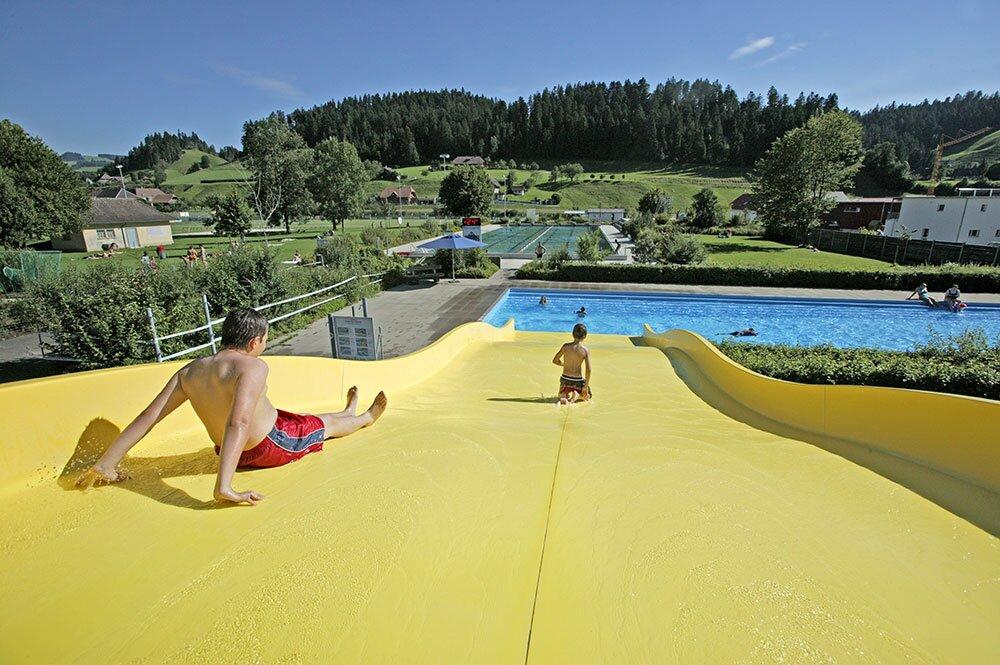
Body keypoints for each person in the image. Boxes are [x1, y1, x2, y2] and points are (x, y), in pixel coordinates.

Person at [75, 308, 388, 505]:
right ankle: (364, 418)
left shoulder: (190, 371)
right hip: (268, 445)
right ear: (254, 343)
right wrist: (224, 487)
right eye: (264, 341)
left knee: (311, 420)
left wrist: (108, 462)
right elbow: (238, 422)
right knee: (323, 427)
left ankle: (348, 411)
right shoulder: (253, 367)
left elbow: (149, 417)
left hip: (232, 449)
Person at [552, 323, 592, 404]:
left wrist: (564, 364)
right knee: (588, 396)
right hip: (577, 380)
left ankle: (564, 395)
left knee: (562, 394)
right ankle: (577, 395)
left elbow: (555, 360)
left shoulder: (565, 346)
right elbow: (588, 369)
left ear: (572, 334)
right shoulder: (585, 350)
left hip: (565, 379)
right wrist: (585, 386)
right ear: (585, 336)